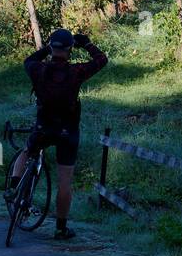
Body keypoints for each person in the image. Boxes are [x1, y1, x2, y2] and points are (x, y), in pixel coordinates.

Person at [9, 28, 108, 241]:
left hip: (43, 127)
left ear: (52, 48)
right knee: (65, 181)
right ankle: (61, 229)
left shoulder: (37, 69)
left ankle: (14, 187)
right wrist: (87, 44)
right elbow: (101, 60)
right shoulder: (76, 72)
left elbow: (28, 60)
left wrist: (48, 47)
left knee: (27, 150)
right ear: (71, 49)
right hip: (67, 131)